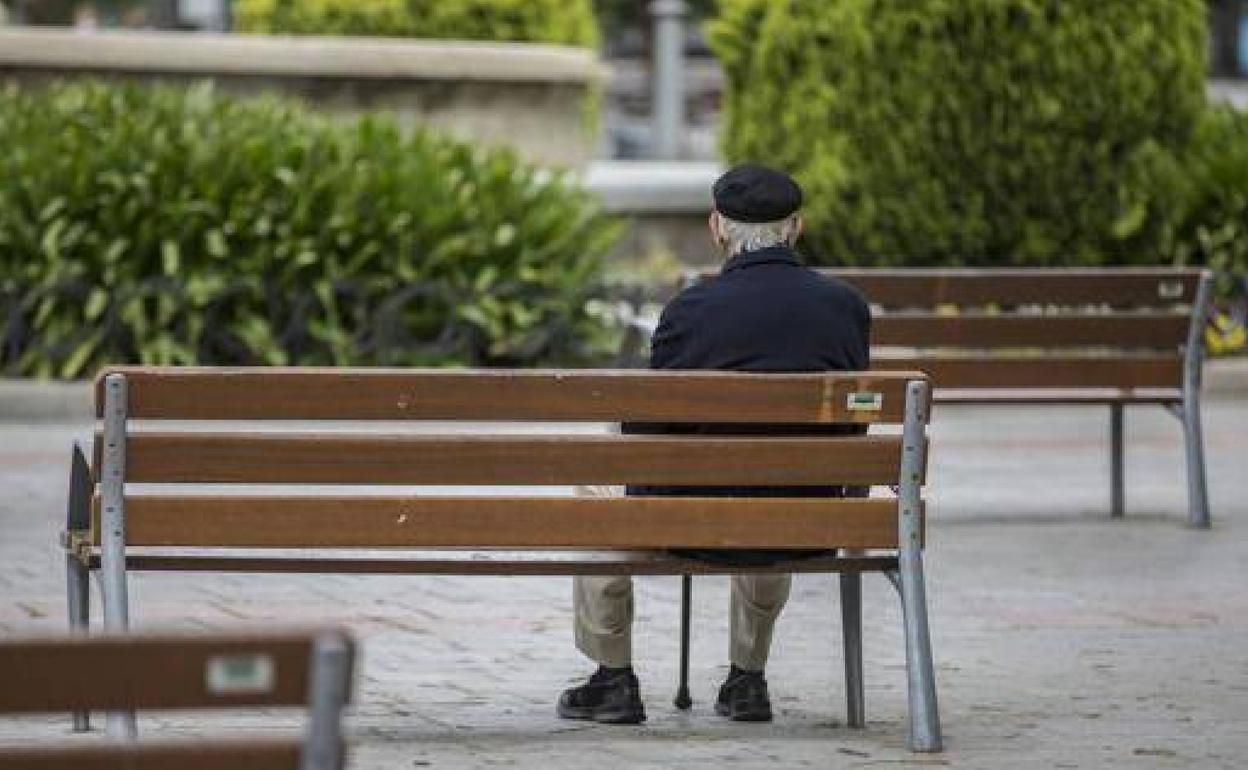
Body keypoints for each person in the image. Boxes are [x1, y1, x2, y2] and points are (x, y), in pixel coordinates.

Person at [557, 164, 871, 725]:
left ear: (717, 229)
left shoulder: (690, 310)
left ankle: (613, 678)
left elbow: (650, 437)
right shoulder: (844, 307)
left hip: (695, 521)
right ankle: (747, 680)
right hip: (809, 517)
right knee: (777, 481)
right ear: (795, 227)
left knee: (597, 477)